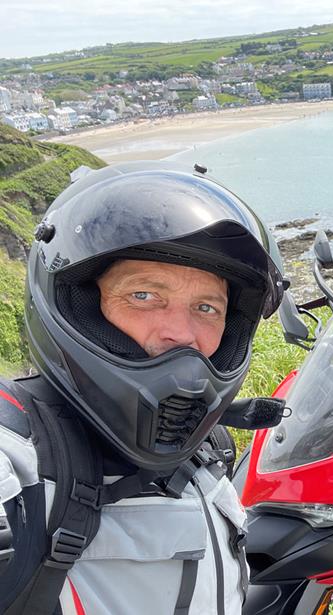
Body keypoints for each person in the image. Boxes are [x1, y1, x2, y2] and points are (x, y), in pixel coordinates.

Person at [0, 161, 287, 614]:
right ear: (80, 305)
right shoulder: (19, 463)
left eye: (208, 307)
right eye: (144, 296)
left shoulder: (210, 449)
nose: (182, 333)